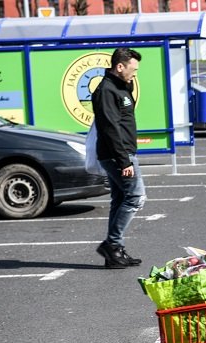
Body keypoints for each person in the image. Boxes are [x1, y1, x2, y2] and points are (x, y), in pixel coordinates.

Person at [92, 47, 145, 269]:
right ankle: (112, 244)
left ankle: (115, 252)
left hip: (122, 152)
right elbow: (109, 128)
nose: (135, 74)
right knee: (135, 196)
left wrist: (128, 82)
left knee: (119, 199)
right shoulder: (106, 91)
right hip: (117, 155)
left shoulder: (120, 86)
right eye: (133, 69)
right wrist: (124, 161)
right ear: (119, 66)